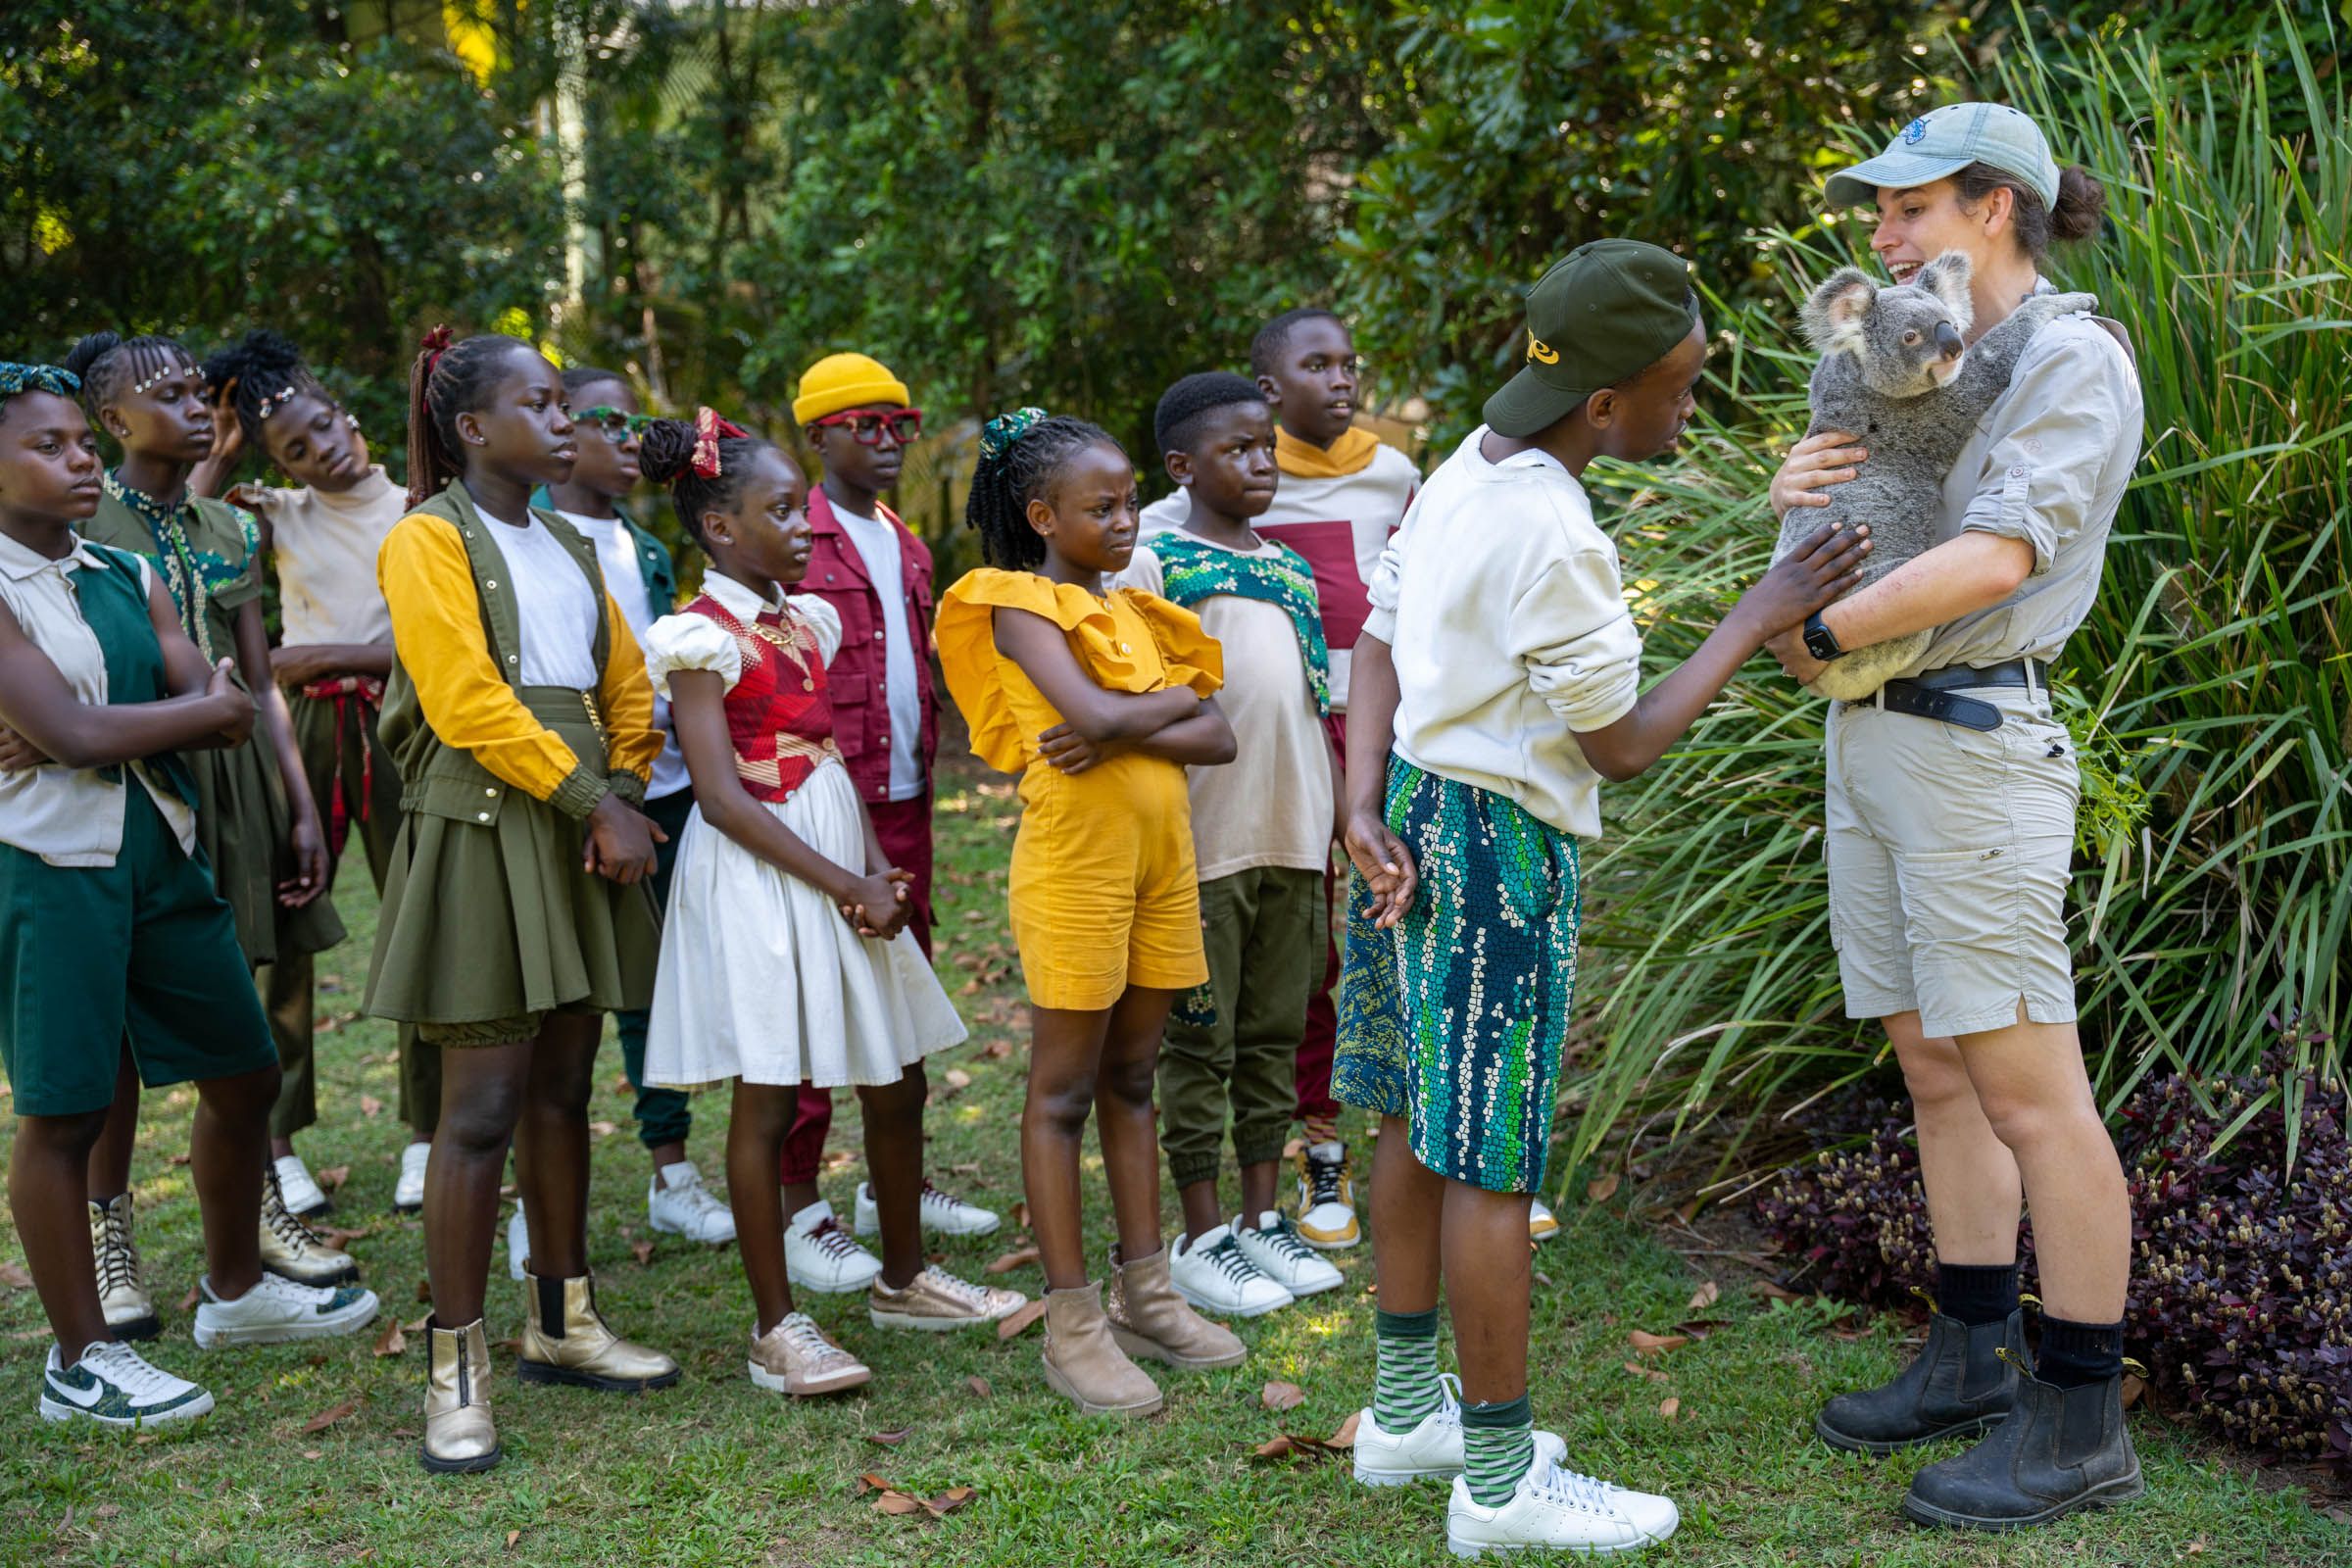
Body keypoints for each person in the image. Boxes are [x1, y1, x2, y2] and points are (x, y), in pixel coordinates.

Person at [1332, 240, 1869, 1555]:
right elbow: (1620, 742)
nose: (1689, 411)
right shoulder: (1557, 531)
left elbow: (1378, 635)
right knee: (1494, 1164)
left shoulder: (1474, 463)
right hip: (1496, 852)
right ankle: (1503, 1488)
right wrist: (1759, 610)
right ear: (1605, 404)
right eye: (1679, 391)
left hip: (1404, 812)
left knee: (1413, 1113)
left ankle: (1409, 1415)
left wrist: (1356, 802)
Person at [1766, 103, 2144, 1531]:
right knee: (1933, 1064)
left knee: (2030, 1087)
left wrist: (1809, 625)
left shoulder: (2067, 361)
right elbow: (1868, 493)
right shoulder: (1910, 355)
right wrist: (1798, 494)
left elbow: (1994, 554)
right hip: (1870, 731)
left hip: (1976, 739)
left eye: (1908, 208)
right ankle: (1972, 1353)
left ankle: (2080, 1413)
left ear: (1995, 207)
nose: (1882, 234)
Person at [0, 362, 377, 1429]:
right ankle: (81, 1359)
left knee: (246, 1067)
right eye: (49, 445)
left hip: (157, 840)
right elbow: (106, 729)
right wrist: (102, 729)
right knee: (67, 1106)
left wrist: (83, 730)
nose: (78, 460)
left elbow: (210, 695)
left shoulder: (123, 570)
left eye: (80, 441)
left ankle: (234, 1288)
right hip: (44, 859)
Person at [634, 412, 1023, 1396]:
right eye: (780, 510)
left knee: (895, 1075)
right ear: (721, 529)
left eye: (801, 507)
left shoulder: (802, 616)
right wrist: (845, 879)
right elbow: (719, 798)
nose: (806, 526)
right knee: (768, 1091)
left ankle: (903, 1275)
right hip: (764, 875)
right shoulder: (697, 639)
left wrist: (861, 862)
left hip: (834, 852)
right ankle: (778, 1327)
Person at [368, 328, 674, 1474]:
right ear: (471, 428)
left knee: (562, 1087)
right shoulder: (426, 539)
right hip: (491, 831)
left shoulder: (564, 540)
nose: (566, 423)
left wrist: (625, 790)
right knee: (481, 1108)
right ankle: (455, 1367)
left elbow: (626, 683)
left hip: (579, 825)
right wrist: (597, 800)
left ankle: (564, 1318)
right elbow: (464, 700)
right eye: (539, 405)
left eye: (567, 406)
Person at [935, 408, 1245, 1417]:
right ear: (1041, 514)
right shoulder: (1017, 602)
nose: (1125, 521)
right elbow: (1127, 714)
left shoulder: (1139, 615)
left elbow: (1221, 735)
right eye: (1100, 507)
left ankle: (1145, 1289)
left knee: (1134, 1075)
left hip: (1163, 861)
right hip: (1076, 866)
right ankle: (1072, 1323)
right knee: (1063, 1091)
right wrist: (1141, 718)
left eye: (1128, 503)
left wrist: (1119, 729)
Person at [64, 330, 359, 1338]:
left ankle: (255, 1212)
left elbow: (263, 678)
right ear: (112, 422)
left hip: (233, 784)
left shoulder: (229, 529)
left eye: (202, 392)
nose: (201, 409)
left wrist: (300, 801)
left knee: (244, 1001)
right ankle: (112, 1242)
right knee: (113, 1031)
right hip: (126, 777)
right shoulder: (79, 520)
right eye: (173, 394)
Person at [1115, 372, 1343, 1318]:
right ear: (1181, 467)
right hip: (1203, 844)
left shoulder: (1290, 569)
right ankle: (1200, 1231)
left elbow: (1309, 708)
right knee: (1198, 1042)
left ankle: (1260, 1219)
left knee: (1273, 1035)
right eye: (1235, 451)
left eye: (1266, 448)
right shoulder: (1155, 562)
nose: (1260, 464)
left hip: (1295, 839)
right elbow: (1133, 703)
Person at [199, 328, 436, 1218]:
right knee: (284, 929)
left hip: (401, 727)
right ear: (280, 462)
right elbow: (187, 531)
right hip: (300, 733)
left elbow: (420, 644)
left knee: (420, 924)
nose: (325, 450)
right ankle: (278, 1140)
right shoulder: (274, 513)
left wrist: (327, 651)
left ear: (350, 417)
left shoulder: (421, 506)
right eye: (297, 449)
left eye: (329, 427)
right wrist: (222, 450)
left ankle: (427, 1132)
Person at [782, 352, 994, 1293]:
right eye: (862, 425)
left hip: (905, 800)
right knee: (812, 997)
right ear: (817, 436)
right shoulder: (794, 534)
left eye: (897, 425)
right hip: (825, 800)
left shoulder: (904, 539)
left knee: (899, 989)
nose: (884, 441)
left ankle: (888, 1186)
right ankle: (798, 1203)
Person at [521, 367, 736, 1253]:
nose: (628, 439)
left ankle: (671, 1171)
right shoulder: (523, 533)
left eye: (638, 421)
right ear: (563, 429)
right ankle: (530, 1198)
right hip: (573, 791)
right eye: (606, 420)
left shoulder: (646, 544)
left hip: (667, 787)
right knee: (556, 995)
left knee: (658, 982)